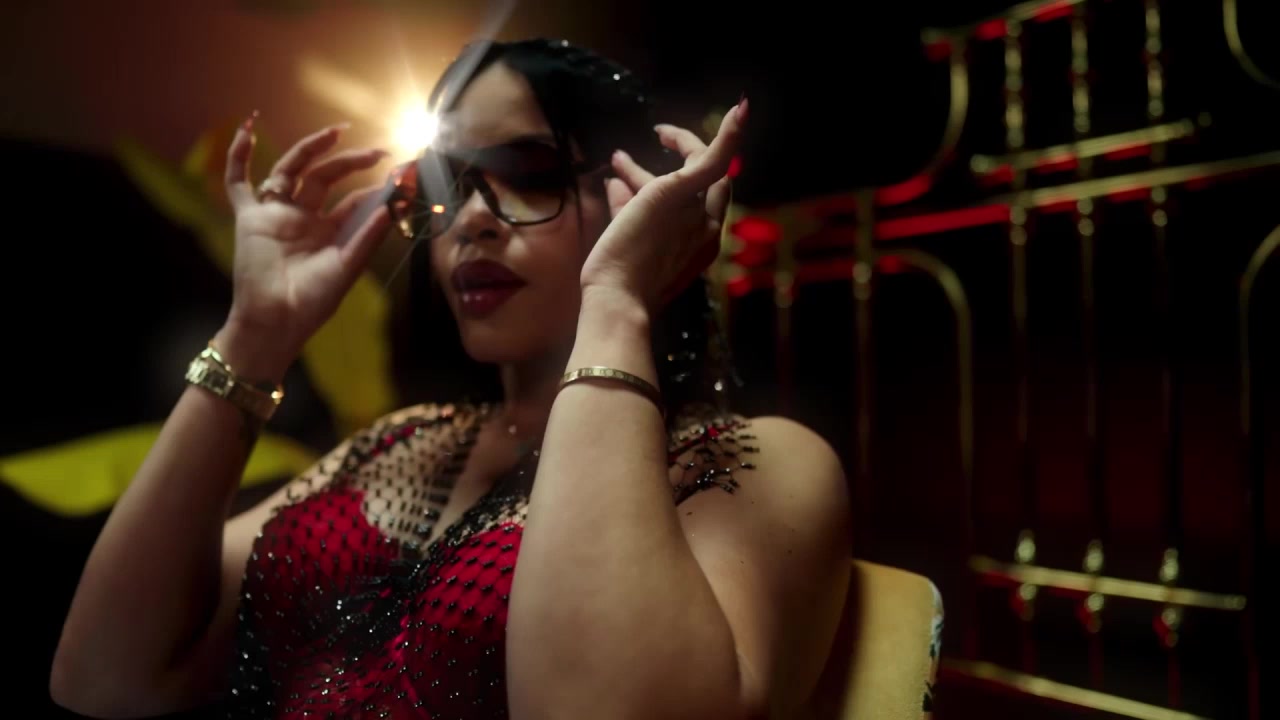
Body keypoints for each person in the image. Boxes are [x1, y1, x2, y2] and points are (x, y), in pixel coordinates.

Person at [50, 38, 852, 719]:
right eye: (449, 185)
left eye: (528, 171)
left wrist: (616, 303)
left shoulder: (757, 461)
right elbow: (104, 676)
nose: (471, 219)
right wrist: (257, 335)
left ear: (636, 191)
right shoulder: (399, 442)